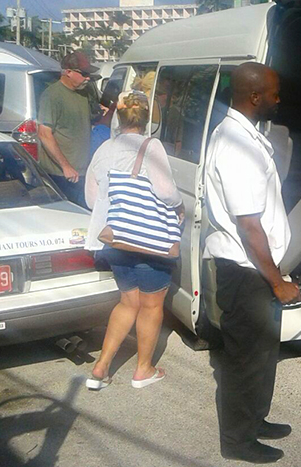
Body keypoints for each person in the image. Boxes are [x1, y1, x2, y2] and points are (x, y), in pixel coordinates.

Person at [204, 62, 300, 464]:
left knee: (262, 354)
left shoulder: (244, 134)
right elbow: (249, 226)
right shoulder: (236, 146)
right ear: (255, 96)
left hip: (254, 269)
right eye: (275, 94)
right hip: (246, 273)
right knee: (245, 360)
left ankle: (255, 419)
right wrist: (277, 281)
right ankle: (238, 442)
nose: (279, 100)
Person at [84, 90, 184, 390]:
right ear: (148, 119)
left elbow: (92, 199)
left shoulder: (104, 148)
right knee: (152, 306)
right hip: (149, 240)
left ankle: (100, 368)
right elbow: (166, 192)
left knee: (127, 302)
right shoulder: (151, 146)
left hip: (115, 240)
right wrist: (180, 206)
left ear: (119, 116)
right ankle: (143, 370)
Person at [37, 51, 99, 208]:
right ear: (68, 72)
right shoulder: (52, 95)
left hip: (82, 172)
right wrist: (65, 166)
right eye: (84, 74)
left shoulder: (84, 93)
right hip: (61, 175)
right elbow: (44, 133)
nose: (88, 78)